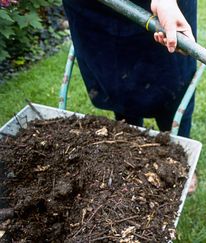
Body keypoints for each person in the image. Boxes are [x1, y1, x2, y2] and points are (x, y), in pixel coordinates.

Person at [62, 0, 198, 192]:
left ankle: (180, 155)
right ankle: (130, 149)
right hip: (96, 11)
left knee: (173, 82)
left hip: (160, 8)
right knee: (116, 83)